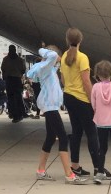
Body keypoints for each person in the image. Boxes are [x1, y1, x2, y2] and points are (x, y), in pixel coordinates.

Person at [27, 46, 77, 183]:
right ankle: (69, 173)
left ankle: (41, 170)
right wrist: (48, 52)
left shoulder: (49, 69)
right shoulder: (46, 66)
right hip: (50, 107)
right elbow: (53, 54)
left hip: (51, 107)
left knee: (50, 138)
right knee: (63, 138)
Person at [60, 28, 103, 181]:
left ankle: (75, 166)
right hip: (82, 99)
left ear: (67, 40)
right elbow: (86, 81)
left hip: (68, 96)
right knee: (92, 132)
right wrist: (93, 101)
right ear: (80, 41)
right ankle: (98, 167)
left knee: (76, 132)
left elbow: (63, 80)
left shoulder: (64, 56)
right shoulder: (82, 57)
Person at [1, 45, 27, 123]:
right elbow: (23, 70)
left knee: (11, 98)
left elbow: (3, 69)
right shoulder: (20, 60)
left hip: (9, 80)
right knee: (18, 97)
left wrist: (5, 76)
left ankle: (13, 113)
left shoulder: (5, 59)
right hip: (17, 79)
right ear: (15, 50)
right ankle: (20, 113)